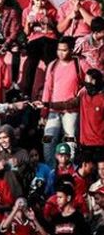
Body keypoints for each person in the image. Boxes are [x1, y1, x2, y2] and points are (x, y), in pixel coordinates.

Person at [38, 37, 86, 165]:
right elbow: (47, 88)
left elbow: (90, 81)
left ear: (71, 50)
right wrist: (44, 112)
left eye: (64, 50)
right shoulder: (52, 65)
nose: (60, 53)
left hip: (71, 111)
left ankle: (70, 169)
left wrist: (79, 96)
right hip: (53, 110)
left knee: (70, 140)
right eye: (58, 49)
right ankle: (51, 169)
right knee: (47, 139)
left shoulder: (79, 63)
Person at [21, 0, 58, 98]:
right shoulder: (27, 11)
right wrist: (28, 23)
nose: (40, 3)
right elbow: (26, 33)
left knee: (50, 62)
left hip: (49, 39)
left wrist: (50, 22)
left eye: (42, 0)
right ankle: (26, 93)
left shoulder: (52, 10)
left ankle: (52, 90)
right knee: (31, 62)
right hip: (34, 39)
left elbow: (58, 30)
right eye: (37, 0)